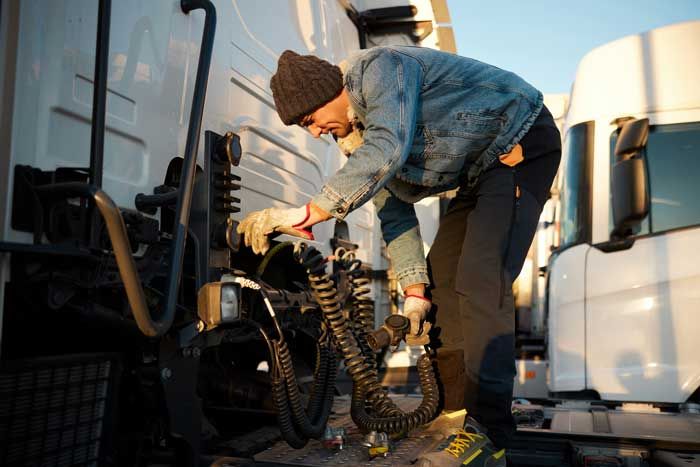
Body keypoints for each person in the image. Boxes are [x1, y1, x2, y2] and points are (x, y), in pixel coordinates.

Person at [237, 46, 561, 466]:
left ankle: (491, 430)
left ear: (326, 94)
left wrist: (309, 212)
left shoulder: (378, 70)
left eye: (309, 120)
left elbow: (388, 146)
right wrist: (414, 291)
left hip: (521, 142)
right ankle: (456, 412)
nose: (314, 133)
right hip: (482, 170)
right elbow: (394, 212)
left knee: (482, 279)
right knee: (440, 281)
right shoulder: (355, 140)